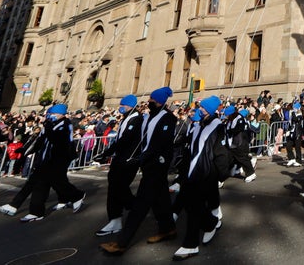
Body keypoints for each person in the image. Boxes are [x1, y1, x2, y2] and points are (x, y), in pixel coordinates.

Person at [100, 87, 178, 256]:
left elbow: (160, 143)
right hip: (148, 163)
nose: (149, 102)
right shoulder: (148, 117)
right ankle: (168, 228)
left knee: (140, 205)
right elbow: (141, 139)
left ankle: (122, 242)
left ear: (159, 102)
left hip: (157, 165)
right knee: (161, 199)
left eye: (152, 100)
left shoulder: (168, 119)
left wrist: (141, 158)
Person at [0, 103, 85, 221]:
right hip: (45, 160)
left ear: (61, 114)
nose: (51, 116)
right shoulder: (51, 124)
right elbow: (40, 141)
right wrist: (24, 150)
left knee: (56, 182)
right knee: (39, 184)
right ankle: (31, 210)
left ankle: (76, 196)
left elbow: (57, 140)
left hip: (57, 160)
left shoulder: (65, 125)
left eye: (53, 114)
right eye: (50, 114)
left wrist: (48, 127)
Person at [172, 97, 232, 260]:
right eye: (201, 107)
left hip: (207, 172)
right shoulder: (198, 125)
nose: (201, 109)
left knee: (194, 207)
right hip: (193, 171)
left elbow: (220, 151)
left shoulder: (217, 125)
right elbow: (191, 150)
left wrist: (222, 173)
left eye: (204, 108)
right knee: (192, 206)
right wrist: (182, 172)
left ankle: (190, 245)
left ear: (211, 110)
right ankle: (211, 222)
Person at [93, 94, 142, 237]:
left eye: (123, 105)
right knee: (115, 186)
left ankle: (135, 208)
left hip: (128, 160)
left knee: (118, 186)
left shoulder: (136, 119)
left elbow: (125, 140)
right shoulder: (127, 119)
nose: (121, 107)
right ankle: (116, 218)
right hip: (120, 159)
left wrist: (107, 152)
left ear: (129, 106)